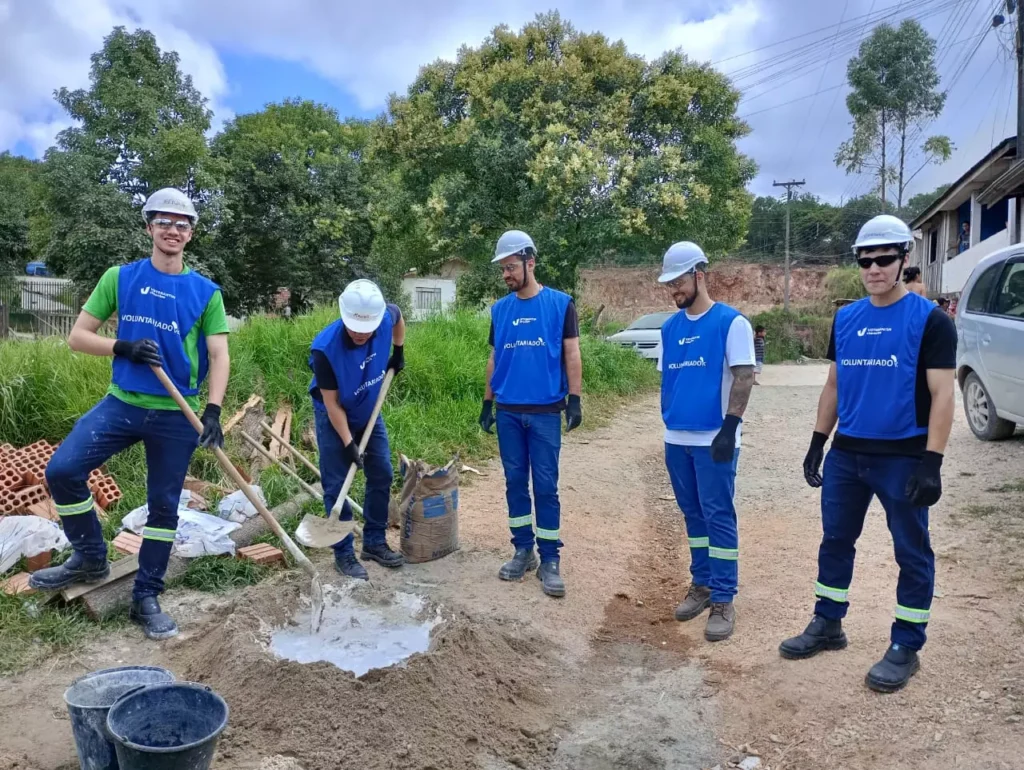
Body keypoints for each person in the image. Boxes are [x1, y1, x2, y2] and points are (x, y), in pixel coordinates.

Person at [30, 188, 230, 640]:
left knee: (163, 506)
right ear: (149, 227)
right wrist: (122, 347)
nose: (172, 230)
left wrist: (214, 409)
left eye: (181, 224)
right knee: (62, 469)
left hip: (178, 414)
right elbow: (78, 337)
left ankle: (146, 595)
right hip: (122, 403)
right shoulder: (121, 278)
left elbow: (219, 355)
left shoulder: (205, 292)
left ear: (190, 234)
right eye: (164, 222)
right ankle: (89, 555)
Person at [781, 214, 956, 693]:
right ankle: (828, 622)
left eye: (883, 259)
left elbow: (943, 395)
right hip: (847, 455)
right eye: (865, 260)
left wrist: (932, 462)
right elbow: (835, 383)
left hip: (902, 456)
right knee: (835, 541)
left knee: (911, 550)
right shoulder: (846, 317)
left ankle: (906, 643)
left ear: (904, 259)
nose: (874, 268)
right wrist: (818, 441)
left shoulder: (932, 322)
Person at [657, 242, 756, 642]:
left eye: (678, 282)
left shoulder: (731, 323)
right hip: (676, 438)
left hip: (714, 439)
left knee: (718, 516)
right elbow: (670, 379)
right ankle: (701, 583)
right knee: (693, 515)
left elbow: (744, 376)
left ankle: (724, 596)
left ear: (699, 274)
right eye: (669, 284)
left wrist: (730, 428)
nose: (673, 291)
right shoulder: (669, 327)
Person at [480, 230, 583, 598]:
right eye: (503, 269)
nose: (506, 275)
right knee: (513, 483)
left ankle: (550, 558)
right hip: (508, 411)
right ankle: (522, 549)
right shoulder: (501, 309)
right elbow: (495, 358)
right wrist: (487, 402)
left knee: (545, 486)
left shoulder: (560, 304)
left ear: (530, 262)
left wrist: (574, 398)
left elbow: (572, 353)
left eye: (511, 267)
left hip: (543, 413)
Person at [308, 279, 406, 579]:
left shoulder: (384, 317)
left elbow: (398, 315)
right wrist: (349, 443)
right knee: (337, 485)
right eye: (354, 329)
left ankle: (374, 541)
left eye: (367, 330)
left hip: (369, 410)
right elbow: (332, 403)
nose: (361, 334)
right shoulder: (324, 349)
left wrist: (398, 350)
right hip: (334, 416)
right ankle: (344, 553)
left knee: (382, 473)